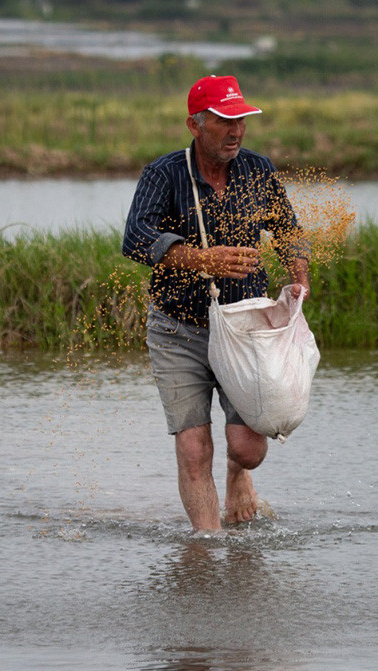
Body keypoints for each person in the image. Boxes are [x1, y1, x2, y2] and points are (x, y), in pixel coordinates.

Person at [122, 75, 309, 532]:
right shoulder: (163, 174)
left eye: (241, 120)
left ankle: (237, 473)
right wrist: (200, 259)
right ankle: (207, 547)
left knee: (249, 447)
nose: (236, 131)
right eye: (224, 120)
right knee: (193, 447)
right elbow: (134, 238)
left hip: (245, 327)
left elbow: (288, 231)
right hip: (176, 328)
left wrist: (299, 274)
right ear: (195, 124)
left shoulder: (258, 170)